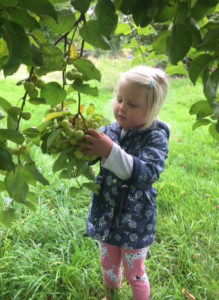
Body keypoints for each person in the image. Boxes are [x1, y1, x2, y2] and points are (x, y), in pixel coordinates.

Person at [78, 65, 170, 300]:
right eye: (120, 99)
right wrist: (80, 142)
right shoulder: (111, 131)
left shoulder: (156, 138)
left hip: (135, 223)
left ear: (152, 109)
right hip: (107, 216)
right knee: (108, 264)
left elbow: (146, 172)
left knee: (135, 272)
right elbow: (93, 153)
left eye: (132, 104)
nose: (122, 107)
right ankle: (112, 295)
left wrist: (109, 151)